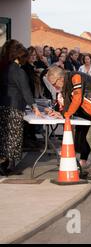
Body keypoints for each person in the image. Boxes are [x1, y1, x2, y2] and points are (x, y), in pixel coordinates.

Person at [46, 66, 91, 182]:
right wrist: (61, 113)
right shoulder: (68, 81)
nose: (54, 87)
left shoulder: (75, 77)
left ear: (60, 78)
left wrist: (66, 114)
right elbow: (68, 102)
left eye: (54, 83)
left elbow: (77, 99)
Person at [0, 40, 41, 175]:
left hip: (4, 105)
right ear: (20, 57)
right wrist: (34, 107)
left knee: (4, 136)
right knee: (14, 137)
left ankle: (4, 164)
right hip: (15, 107)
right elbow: (25, 91)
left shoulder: (6, 68)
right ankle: (8, 166)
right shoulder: (18, 71)